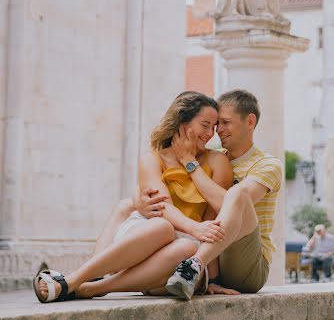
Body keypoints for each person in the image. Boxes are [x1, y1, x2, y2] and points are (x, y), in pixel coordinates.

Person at [33, 92, 235, 302]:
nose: (210, 133)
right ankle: (76, 279)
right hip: (145, 238)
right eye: (205, 125)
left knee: (188, 248)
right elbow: (162, 208)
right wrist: (195, 227)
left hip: (176, 260)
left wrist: (213, 278)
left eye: (213, 127)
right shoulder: (152, 159)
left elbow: (214, 219)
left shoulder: (217, 161)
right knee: (162, 226)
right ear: (182, 122)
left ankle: (89, 287)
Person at [137, 89, 283, 300]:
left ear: (250, 121)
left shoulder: (267, 165)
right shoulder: (211, 159)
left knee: (238, 193)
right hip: (210, 257)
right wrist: (140, 202)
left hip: (246, 265)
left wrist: (190, 164)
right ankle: (94, 281)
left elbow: (226, 207)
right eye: (214, 125)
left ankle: (194, 265)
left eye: (225, 123)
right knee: (125, 207)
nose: (217, 131)